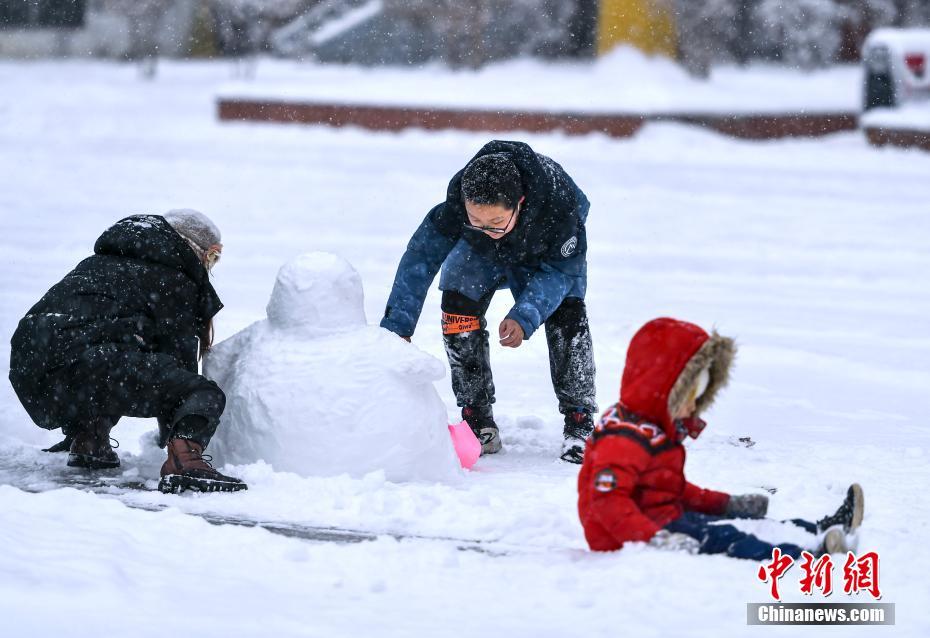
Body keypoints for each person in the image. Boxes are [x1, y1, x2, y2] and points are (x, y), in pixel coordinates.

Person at [380, 140, 596, 463]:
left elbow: (561, 273)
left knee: (567, 311)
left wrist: (524, 316)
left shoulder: (559, 206)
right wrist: (398, 325)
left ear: (519, 202)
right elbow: (421, 255)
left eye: (495, 223)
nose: (486, 228)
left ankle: (580, 421)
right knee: (456, 297)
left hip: (549, 257)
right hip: (484, 256)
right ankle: (477, 417)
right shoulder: (461, 204)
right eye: (476, 220)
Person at [577, 317, 864, 558]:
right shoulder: (623, 439)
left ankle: (819, 530)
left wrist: (726, 504)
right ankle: (807, 556)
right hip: (642, 537)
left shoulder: (649, 428)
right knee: (729, 537)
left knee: (746, 522)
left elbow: (669, 489)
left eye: (700, 395)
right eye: (690, 394)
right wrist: (656, 539)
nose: (694, 405)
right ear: (663, 389)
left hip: (666, 519)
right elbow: (608, 503)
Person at [8, 210, 247, 494]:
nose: (210, 266)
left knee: (111, 363)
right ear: (194, 247)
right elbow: (177, 363)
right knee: (201, 392)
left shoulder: (102, 262)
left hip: (29, 366)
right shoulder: (171, 277)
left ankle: (88, 439)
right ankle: (184, 460)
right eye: (211, 258)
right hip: (83, 361)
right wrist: (176, 427)